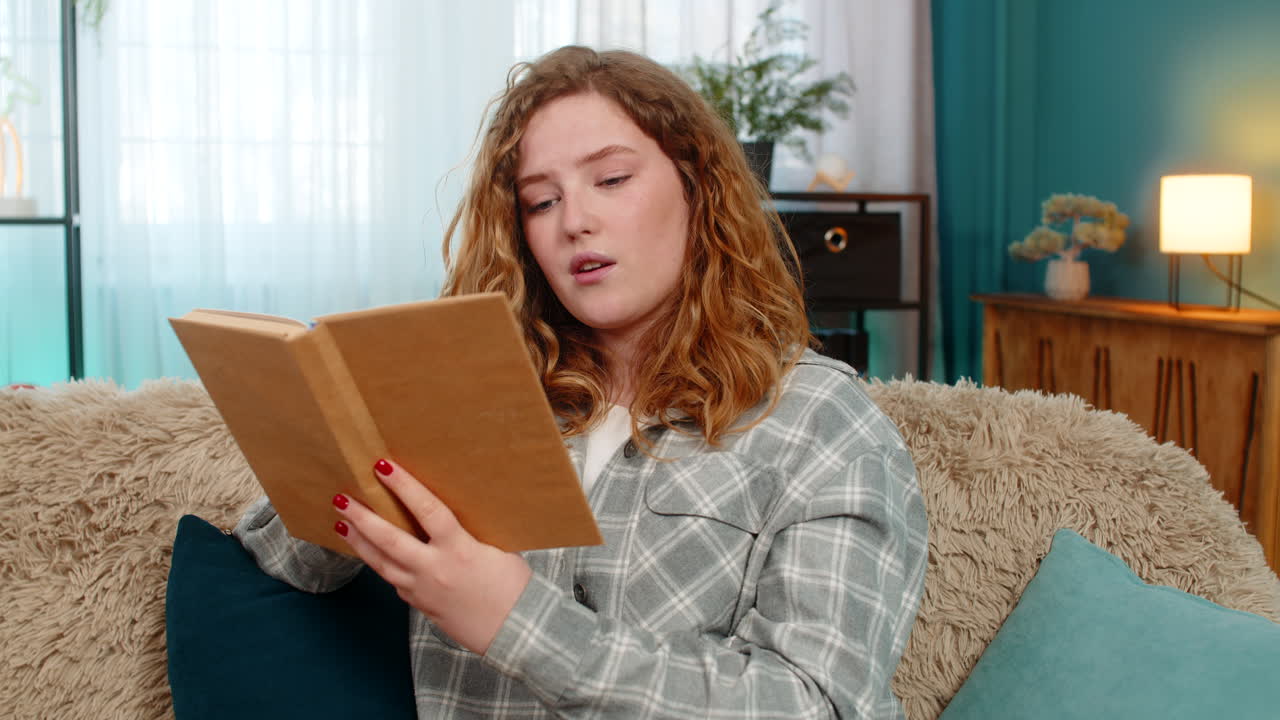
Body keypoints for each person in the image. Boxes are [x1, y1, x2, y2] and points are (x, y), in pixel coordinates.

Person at [236, 45, 927, 719]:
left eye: (613, 179)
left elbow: (819, 704)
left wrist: (518, 622)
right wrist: (358, 425)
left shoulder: (824, 424)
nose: (575, 221)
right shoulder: (481, 397)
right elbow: (284, 565)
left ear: (698, 188)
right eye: (541, 201)